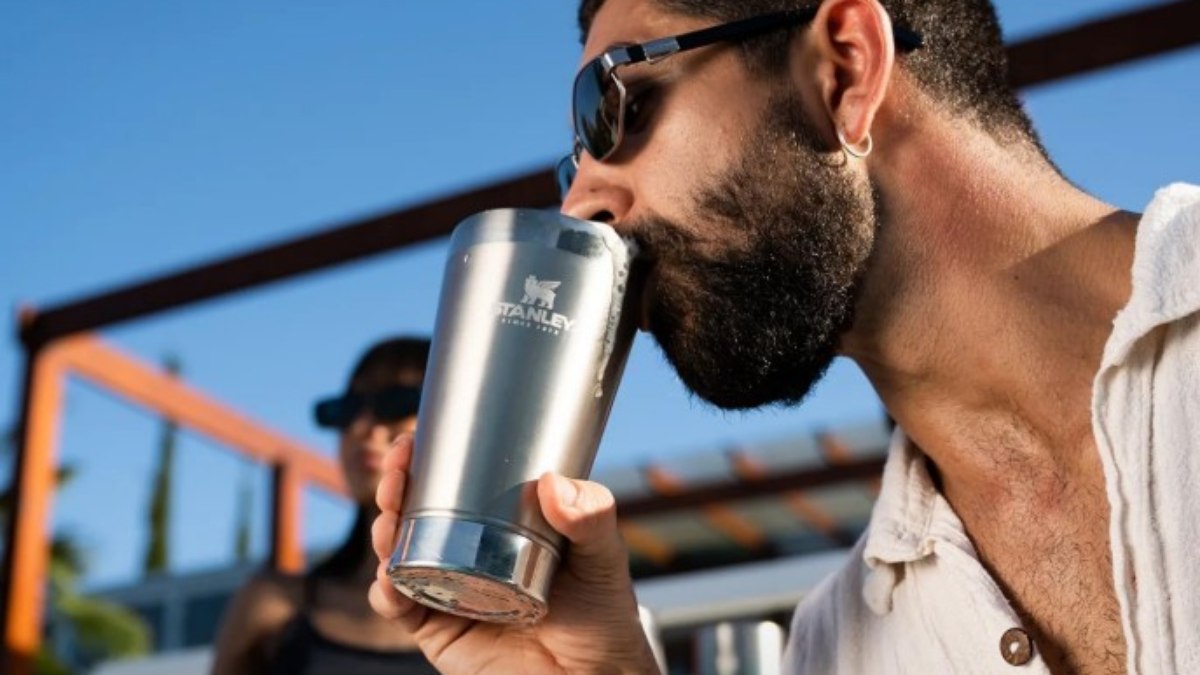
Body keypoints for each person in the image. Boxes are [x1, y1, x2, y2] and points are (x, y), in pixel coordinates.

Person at [368, 1, 1200, 673]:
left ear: (844, 68)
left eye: (613, 107)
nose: (579, 205)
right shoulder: (836, 644)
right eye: (570, 169)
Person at [213, 337, 438, 674]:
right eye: (348, 409)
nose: (362, 427)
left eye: (395, 402)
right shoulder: (273, 604)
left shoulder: (502, 621)